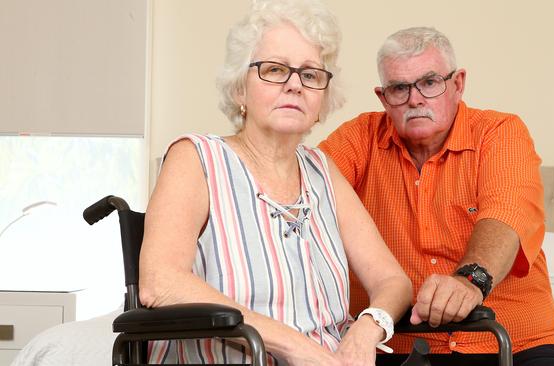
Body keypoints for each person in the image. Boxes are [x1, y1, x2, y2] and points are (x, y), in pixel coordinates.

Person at [137, 1, 412, 365]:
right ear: (240, 90)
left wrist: (366, 329)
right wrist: (295, 346)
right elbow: (160, 281)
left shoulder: (322, 170)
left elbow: (394, 281)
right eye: (275, 69)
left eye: (311, 75)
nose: (295, 85)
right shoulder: (196, 158)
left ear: (322, 99)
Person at [319, 26, 554, 366]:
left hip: (515, 344)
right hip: (398, 346)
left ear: (457, 84)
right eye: (399, 88)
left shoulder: (500, 133)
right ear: (384, 98)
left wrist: (471, 280)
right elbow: (301, 191)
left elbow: (506, 213)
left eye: (429, 83)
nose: (415, 99)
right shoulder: (358, 138)